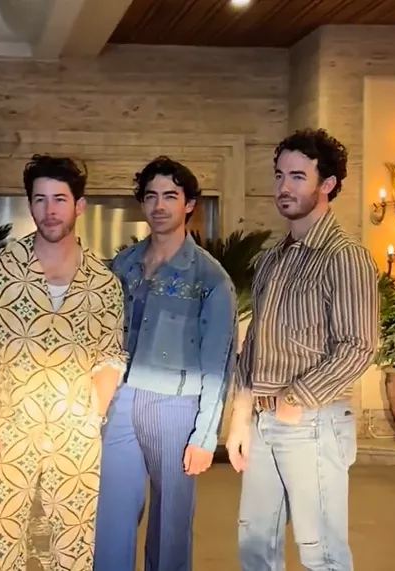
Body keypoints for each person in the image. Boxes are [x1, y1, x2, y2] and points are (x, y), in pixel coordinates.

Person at [0, 154, 127, 571]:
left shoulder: (103, 283)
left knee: (73, 551)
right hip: (4, 435)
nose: (49, 210)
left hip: (75, 441)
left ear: (79, 206)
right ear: (30, 205)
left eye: (59, 199)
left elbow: (110, 357)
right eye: (40, 199)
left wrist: (91, 416)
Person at [227, 128, 379, 571]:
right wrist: (240, 416)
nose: (284, 187)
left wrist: (295, 400)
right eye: (279, 175)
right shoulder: (273, 258)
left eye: (297, 176)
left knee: (321, 554)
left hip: (313, 423)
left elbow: (358, 345)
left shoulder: (344, 256)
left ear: (327, 184)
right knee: (256, 547)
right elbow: (255, 342)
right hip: (262, 422)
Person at [94, 156, 238, 571]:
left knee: (170, 524)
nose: (159, 205)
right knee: (111, 517)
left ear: (189, 204)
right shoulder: (122, 266)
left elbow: (218, 364)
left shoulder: (211, 279)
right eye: (151, 196)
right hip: (119, 401)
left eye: (170, 196)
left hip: (176, 407)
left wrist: (205, 436)